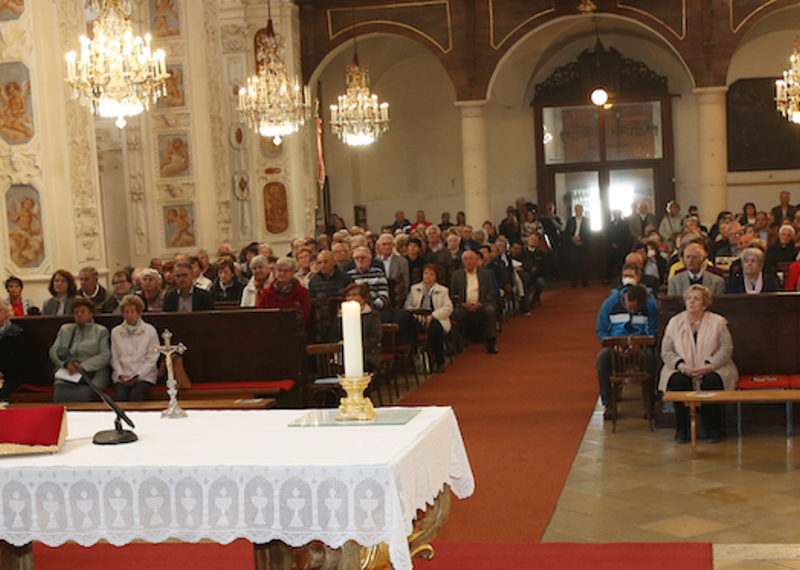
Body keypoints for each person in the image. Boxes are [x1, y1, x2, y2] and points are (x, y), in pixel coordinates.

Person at [661, 285, 738, 443]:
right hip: (682, 367)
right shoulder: (674, 322)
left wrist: (710, 366)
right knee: (678, 380)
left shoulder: (718, 322)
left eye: (696, 299)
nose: (691, 302)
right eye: (689, 298)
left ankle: (714, 429)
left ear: (705, 303)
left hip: (713, 367)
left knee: (712, 381)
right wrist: (682, 366)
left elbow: (726, 348)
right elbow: (666, 351)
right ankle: (682, 430)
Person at [595, 283, 657, 420]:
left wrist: (639, 344)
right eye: (630, 308)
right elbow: (601, 330)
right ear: (625, 297)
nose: (633, 311)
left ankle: (649, 402)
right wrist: (612, 345)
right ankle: (609, 404)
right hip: (615, 346)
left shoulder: (650, 306)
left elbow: (652, 332)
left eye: (636, 309)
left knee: (650, 358)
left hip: (641, 347)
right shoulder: (610, 304)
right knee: (602, 359)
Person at [49, 297, 111, 403]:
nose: (79, 315)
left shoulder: (101, 331)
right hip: (68, 373)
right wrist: (66, 364)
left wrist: (82, 366)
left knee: (83, 394)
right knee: (59, 393)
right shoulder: (66, 329)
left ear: (91, 314)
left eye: (83, 312)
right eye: (76, 312)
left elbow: (105, 355)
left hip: (92, 373)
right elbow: (54, 350)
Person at [110, 295, 160, 402]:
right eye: (126, 312)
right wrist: (121, 375)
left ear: (139, 313)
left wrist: (138, 376)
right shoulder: (116, 332)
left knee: (135, 395)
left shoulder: (150, 330)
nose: (129, 315)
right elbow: (115, 357)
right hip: (123, 376)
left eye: (132, 312)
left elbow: (152, 358)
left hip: (144, 376)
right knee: (121, 396)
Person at [405, 264, 453, 374]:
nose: (427, 276)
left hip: (436, 319)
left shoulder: (443, 290)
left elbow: (448, 308)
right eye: (426, 273)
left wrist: (432, 316)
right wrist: (417, 316)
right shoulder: (414, 289)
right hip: (418, 318)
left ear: (436, 277)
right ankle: (413, 362)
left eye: (431, 274)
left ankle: (439, 361)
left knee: (434, 329)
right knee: (408, 327)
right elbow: (408, 307)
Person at [449, 250, 498, 354]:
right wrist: (462, 304)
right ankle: (460, 343)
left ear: (476, 260)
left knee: (490, 310)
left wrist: (481, 303)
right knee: (457, 313)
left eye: (471, 259)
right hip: (464, 305)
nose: (468, 261)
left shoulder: (485, 274)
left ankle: (491, 343)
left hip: (482, 304)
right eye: (466, 259)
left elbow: (491, 291)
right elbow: (453, 294)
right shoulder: (456, 275)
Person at [257, 257, 311, 323]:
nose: (281, 273)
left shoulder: (302, 293)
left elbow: (304, 317)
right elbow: (260, 316)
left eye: (286, 271)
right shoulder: (266, 293)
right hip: (270, 328)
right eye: (279, 270)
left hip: (294, 328)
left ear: (293, 273)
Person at [343, 283, 382, 373]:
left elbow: (375, 337)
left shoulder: (372, 315)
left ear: (363, 298)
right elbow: (333, 335)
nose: (351, 298)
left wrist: (356, 346)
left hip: (367, 354)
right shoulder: (341, 315)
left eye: (354, 295)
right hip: (343, 353)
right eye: (348, 295)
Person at [0, 300, 29, 400]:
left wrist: (2, 372)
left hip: (12, 375)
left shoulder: (15, 333)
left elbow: (20, 361)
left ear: (7, 313)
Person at [564, 204, 590, 287]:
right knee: (573, 264)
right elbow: (566, 232)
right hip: (572, 245)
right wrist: (572, 239)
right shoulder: (570, 220)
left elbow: (588, 233)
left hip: (583, 245)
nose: (578, 211)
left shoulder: (587, 221)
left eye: (579, 209)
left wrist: (580, 239)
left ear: (582, 210)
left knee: (584, 264)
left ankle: (584, 282)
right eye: (576, 210)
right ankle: (574, 282)